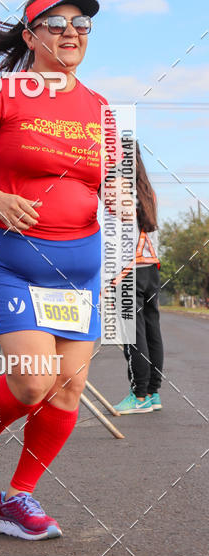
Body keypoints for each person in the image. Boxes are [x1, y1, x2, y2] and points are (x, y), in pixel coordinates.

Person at [0, 0, 111, 540]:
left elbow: (105, 186)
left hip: (78, 267)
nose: (70, 32)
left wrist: (126, 217)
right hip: (11, 257)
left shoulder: (100, 108)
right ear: (31, 37)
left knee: (67, 390)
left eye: (80, 23)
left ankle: (19, 498)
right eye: (55, 24)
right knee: (34, 384)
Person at [114, 143, 164, 413]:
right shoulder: (149, 191)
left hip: (127, 270)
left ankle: (139, 395)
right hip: (150, 267)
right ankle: (153, 393)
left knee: (133, 335)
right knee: (152, 330)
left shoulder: (117, 188)